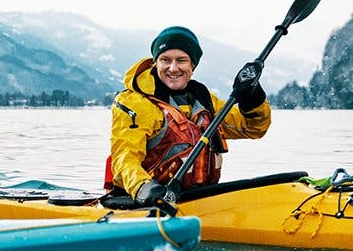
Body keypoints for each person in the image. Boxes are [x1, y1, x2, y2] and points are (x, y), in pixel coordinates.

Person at [108, 25, 270, 206]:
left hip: (197, 199)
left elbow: (253, 129)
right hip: (146, 202)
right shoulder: (136, 103)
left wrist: (253, 97)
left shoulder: (204, 99)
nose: (173, 68)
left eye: (181, 60)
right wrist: (144, 188)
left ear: (193, 65)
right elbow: (124, 158)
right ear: (155, 63)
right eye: (165, 60)